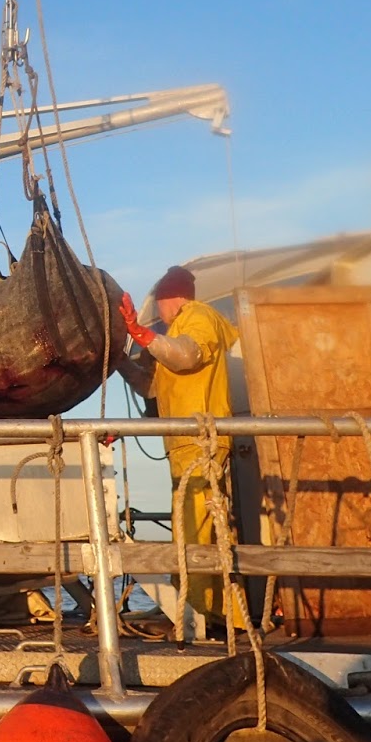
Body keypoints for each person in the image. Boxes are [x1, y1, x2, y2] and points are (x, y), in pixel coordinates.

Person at [116, 265, 241, 630]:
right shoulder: (173, 331)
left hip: (202, 443)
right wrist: (122, 362)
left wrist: (141, 334)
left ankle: (208, 616)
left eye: (158, 305)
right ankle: (205, 608)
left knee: (199, 527)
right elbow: (151, 387)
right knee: (192, 527)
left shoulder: (199, 317)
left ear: (169, 299)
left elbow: (187, 356)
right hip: (183, 447)